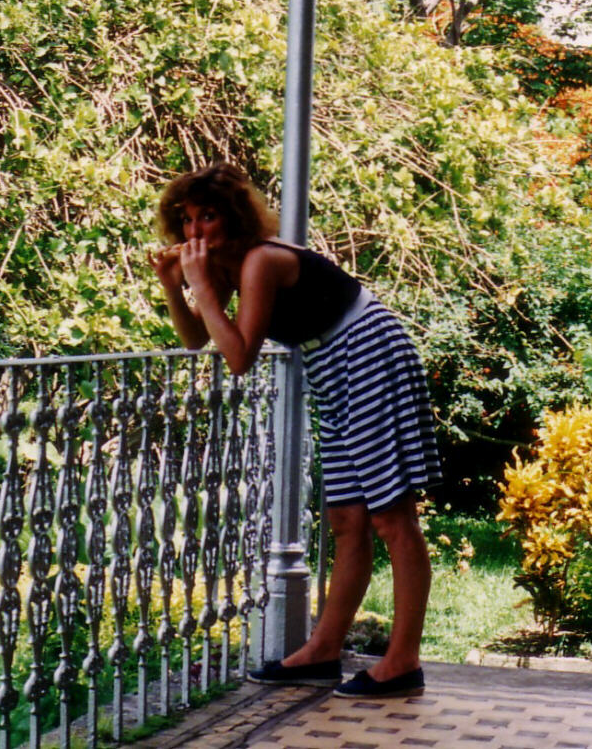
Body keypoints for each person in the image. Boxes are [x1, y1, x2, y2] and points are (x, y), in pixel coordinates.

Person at [151, 162, 440, 699]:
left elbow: (238, 358)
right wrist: (177, 288)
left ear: (234, 217)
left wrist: (201, 289)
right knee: (347, 518)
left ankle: (402, 661)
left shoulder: (260, 260)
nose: (195, 232)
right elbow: (197, 339)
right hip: (332, 370)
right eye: (185, 220)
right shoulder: (226, 266)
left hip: (369, 354)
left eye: (208, 217)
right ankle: (322, 651)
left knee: (391, 517)